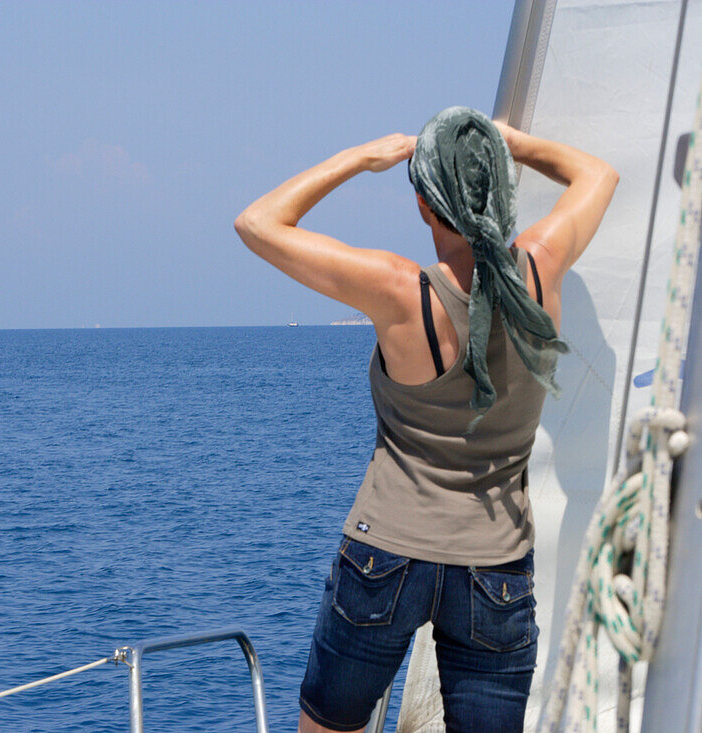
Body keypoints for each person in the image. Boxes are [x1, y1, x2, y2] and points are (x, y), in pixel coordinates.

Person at [234, 107, 617, 733]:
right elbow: (597, 175)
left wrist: (362, 156)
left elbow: (257, 223)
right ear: (500, 186)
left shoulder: (397, 290)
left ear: (422, 204)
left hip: (385, 555)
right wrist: (509, 143)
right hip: (495, 570)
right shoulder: (541, 268)